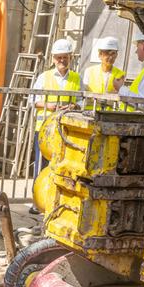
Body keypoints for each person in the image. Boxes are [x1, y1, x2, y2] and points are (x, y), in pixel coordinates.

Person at [28, 38, 85, 213]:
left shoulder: (76, 78)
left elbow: (82, 101)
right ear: (53, 58)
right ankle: (37, 202)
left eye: (65, 57)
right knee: (42, 167)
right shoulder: (44, 77)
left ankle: (55, 202)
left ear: (70, 58)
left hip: (66, 133)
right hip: (46, 132)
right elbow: (32, 100)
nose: (62, 61)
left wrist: (74, 106)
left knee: (63, 169)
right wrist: (50, 106)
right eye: (59, 57)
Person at [83, 36, 125, 108]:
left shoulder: (120, 74)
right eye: (107, 53)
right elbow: (84, 93)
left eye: (113, 53)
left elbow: (120, 97)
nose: (110, 57)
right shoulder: (89, 71)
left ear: (116, 55)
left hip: (109, 114)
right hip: (91, 112)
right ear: (100, 54)